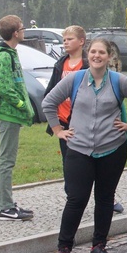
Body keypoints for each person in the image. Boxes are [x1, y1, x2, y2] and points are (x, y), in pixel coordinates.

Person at [42, 38, 127, 253]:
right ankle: (64, 248)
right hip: (79, 149)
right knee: (76, 198)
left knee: (105, 198)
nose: (97, 56)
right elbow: (48, 102)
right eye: (93, 52)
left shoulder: (119, 81)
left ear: (109, 56)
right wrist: (59, 130)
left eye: (102, 52)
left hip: (112, 149)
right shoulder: (75, 79)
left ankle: (98, 246)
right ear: (88, 54)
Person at [0, 15, 35, 222]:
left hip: (12, 115)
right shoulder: (3, 56)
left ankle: (7, 203)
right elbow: (5, 89)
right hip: (8, 115)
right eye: (22, 28)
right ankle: (5, 208)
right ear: (15, 33)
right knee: (6, 160)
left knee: (8, 159)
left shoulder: (11, 53)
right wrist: (22, 105)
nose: (24, 31)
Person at [44, 26, 89, 167]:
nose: (66, 42)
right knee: (67, 161)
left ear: (81, 41)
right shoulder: (60, 64)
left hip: (83, 120)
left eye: (70, 39)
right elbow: (50, 92)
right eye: (64, 40)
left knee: (83, 160)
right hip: (63, 120)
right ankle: (70, 188)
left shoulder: (88, 63)